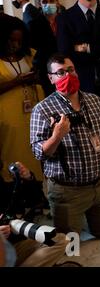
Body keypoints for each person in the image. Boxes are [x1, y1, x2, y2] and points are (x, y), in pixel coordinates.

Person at [30, 54, 100, 238]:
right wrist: (57, 135)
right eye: (60, 72)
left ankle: (88, 216)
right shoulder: (42, 109)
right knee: (70, 243)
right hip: (68, 191)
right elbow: (40, 154)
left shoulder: (94, 100)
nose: (67, 76)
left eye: (70, 70)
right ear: (51, 78)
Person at [0, 16, 45, 182]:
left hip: (33, 112)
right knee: (11, 152)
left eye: (19, 41)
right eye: (11, 40)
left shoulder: (30, 55)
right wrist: (16, 82)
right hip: (7, 117)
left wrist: (36, 77)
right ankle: (13, 190)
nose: (15, 45)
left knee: (34, 149)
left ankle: (36, 190)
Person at [0, 162, 67, 267]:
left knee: (60, 240)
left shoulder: (3, 188)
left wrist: (27, 178)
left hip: (12, 246)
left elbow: (35, 201)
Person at [10, 0, 55, 97]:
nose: (12, 1)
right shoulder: (30, 11)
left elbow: (32, 38)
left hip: (43, 58)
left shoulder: (30, 12)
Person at [36, 0, 64, 96]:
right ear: (39, 4)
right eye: (44, 2)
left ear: (57, 2)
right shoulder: (34, 25)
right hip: (46, 72)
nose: (48, 4)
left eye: (52, 1)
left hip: (65, 67)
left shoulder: (65, 20)